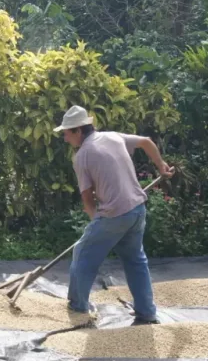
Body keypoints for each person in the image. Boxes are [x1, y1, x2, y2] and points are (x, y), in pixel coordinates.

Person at [54, 105, 174, 326]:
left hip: (115, 214)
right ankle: (146, 313)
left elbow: (88, 199)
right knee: (135, 260)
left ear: (79, 130)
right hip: (137, 209)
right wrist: (161, 166)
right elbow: (146, 141)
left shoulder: (82, 156)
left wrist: (96, 221)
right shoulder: (113, 137)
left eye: (67, 133)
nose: (65, 138)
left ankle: (78, 307)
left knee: (83, 253)